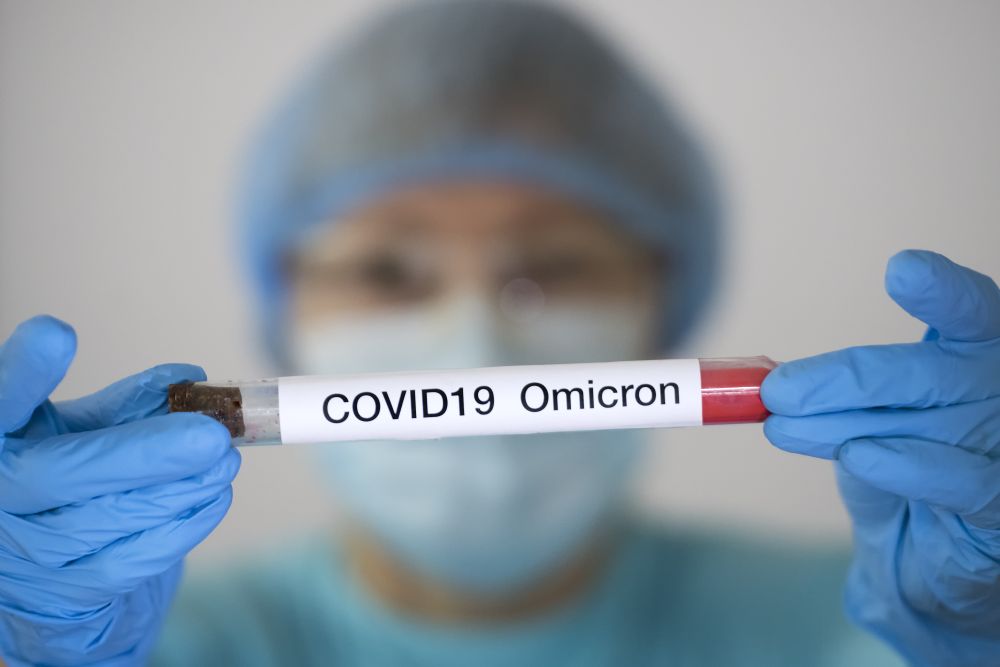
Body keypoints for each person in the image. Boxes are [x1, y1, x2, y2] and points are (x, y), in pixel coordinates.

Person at [0, 2, 997, 665]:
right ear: (287, 312)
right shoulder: (150, 644)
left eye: (552, 266)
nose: (473, 337)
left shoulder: (881, 632)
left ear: (662, 304)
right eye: (386, 270)